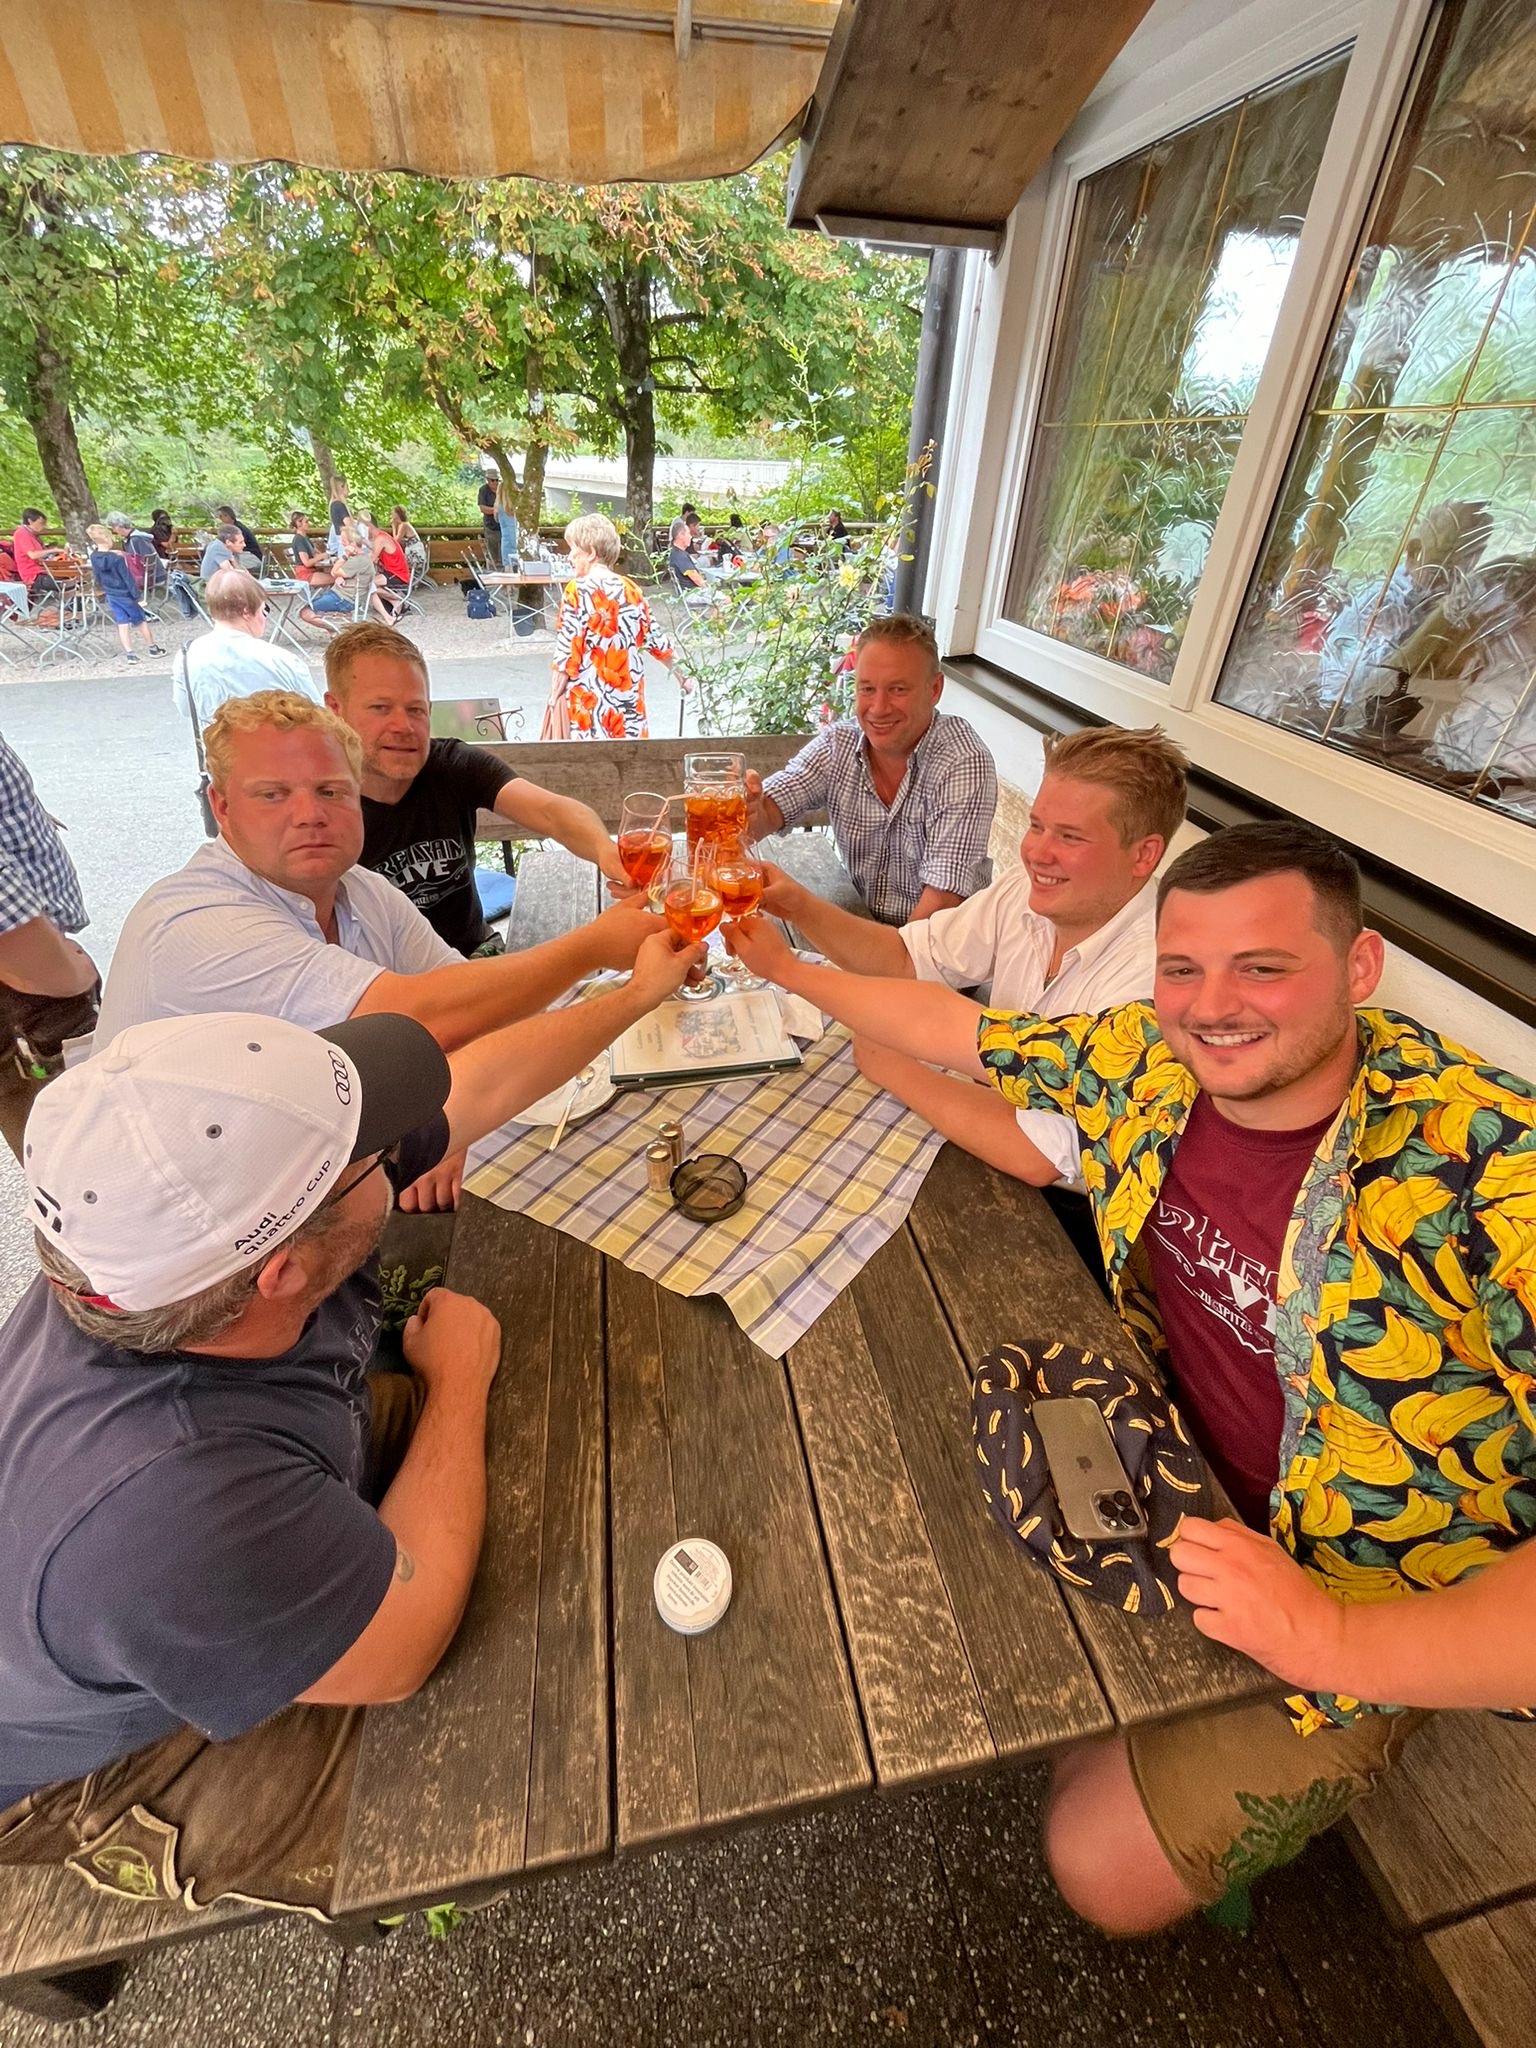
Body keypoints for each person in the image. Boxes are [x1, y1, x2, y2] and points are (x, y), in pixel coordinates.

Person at [724, 818, 1536, 1930]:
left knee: (1096, 1866)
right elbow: (960, 1027)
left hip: (1368, 1587)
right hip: (1162, 1457)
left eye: (1263, 967)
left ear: (1359, 968)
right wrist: (782, 968)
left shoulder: (1494, 1168)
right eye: (1182, 968)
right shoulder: (1146, 1053)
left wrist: (1334, 1639)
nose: (1212, 1005)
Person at [0, 962, 702, 1916]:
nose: (398, 1145)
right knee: (517, 1726)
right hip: (84, 1765)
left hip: (191, 1557)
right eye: (369, 1156)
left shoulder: (149, 1255)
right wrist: (457, 1383)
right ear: (283, 1271)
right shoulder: (169, 1504)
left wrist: (634, 996)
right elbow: (403, 1646)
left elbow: (475, 1087)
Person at [95, 690, 672, 1207]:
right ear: (222, 808)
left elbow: (472, 1013)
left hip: (291, 1179)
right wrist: (596, 948)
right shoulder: (193, 921)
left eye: (331, 791)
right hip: (164, 1234)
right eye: (273, 794)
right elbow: (428, 1018)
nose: (310, 815)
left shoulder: (361, 889)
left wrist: (448, 1125)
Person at [765, 725, 1187, 1192]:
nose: (1036, 853)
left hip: (1073, 1212)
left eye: (1070, 837)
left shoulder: (1158, 978)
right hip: (993, 1127)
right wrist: (797, 907)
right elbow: (908, 959)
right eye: (1036, 826)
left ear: (1144, 855)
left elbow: (1040, 1155)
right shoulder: (1027, 891)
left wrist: (893, 1066)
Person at [326, 622, 627, 956]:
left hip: (474, 954)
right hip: (384, 975)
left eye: (415, 709)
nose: (403, 726)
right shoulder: (316, 806)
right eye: (380, 708)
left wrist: (604, 849)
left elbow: (551, 812)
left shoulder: (451, 765)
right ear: (335, 709)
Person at [745, 613, 996, 924]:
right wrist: (749, 810)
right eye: (867, 689)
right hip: (868, 924)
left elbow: (941, 907)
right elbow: (769, 811)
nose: (878, 708)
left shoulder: (961, 760)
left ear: (934, 690)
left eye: (898, 689)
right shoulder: (839, 744)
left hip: (943, 942)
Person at [0, 734, 99, 1088]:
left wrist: (23, 817)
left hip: (27, 972)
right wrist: (63, 976)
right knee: (78, 1112)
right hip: (28, 984)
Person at [548, 513, 694, 741]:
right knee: (630, 761)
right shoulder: (631, 589)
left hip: (589, 709)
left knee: (589, 763)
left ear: (591, 552)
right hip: (629, 709)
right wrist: (683, 678)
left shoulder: (576, 590)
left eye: (574, 549)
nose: (570, 557)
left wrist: (553, 698)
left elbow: (567, 655)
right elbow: (658, 642)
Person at [174, 568, 321, 728]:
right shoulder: (283, 660)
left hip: (217, 742)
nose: (265, 617)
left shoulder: (186, 656)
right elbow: (318, 717)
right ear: (246, 610)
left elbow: (186, 709)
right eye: (264, 609)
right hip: (276, 742)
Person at [85, 523, 164, 664]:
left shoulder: (94, 557)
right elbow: (127, 578)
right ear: (106, 538)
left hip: (111, 593)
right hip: (125, 594)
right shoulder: (117, 559)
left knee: (122, 623)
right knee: (141, 621)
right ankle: (153, 648)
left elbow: (98, 576)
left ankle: (130, 654)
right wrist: (137, 597)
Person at [287, 510, 351, 629]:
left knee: (334, 576)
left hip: (312, 571)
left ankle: (327, 605)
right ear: (299, 523)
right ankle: (333, 605)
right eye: (306, 521)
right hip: (305, 574)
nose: (308, 523)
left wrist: (321, 555)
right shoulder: (299, 540)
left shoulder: (305, 538)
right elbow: (306, 562)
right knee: (335, 578)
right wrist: (322, 556)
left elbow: (314, 555)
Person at [10, 511, 64, 609]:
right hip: (33, 575)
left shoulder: (32, 534)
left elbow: (40, 555)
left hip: (41, 571)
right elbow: (33, 555)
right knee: (67, 585)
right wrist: (54, 550)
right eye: (41, 523)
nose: (43, 526)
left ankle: (69, 611)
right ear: (30, 521)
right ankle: (68, 612)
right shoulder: (22, 534)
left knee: (70, 580)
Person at [214, 506, 263, 571]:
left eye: (221, 516)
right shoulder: (233, 527)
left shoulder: (237, 529)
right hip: (244, 555)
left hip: (252, 557)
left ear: (227, 515)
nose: (220, 519)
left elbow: (236, 547)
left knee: (224, 560)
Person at [392, 505, 429, 583]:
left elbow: (396, 540)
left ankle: (397, 580)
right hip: (415, 553)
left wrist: (394, 527)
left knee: (395, 561)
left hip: (415, 556)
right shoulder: (403, 525)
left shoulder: (404, 525)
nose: (391, 515)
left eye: (393, 513)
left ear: (397, 514)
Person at [493, 478, 520, 573]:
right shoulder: (517, 506)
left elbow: (496, 519)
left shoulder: (498, 506)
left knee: (508, 565)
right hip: (517, 537)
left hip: (506, 539)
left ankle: (509, 582)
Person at [477, 471, 500, 565]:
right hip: (491, 527)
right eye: (492, 480)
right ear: (488, 480)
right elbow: (483, 508)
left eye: (497, 480)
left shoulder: (503, 489)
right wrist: (496, 510)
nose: (495, 482)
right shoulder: (483, 490)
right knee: (493, 555)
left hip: (504, 527)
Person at [327, 476, 351, 554]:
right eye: (347, 487)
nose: (349, 490)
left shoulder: (333, 504)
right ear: (342, 487)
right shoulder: (339, 505)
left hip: (341, 543)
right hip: (345, 543)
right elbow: (349, 525)